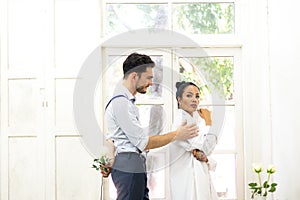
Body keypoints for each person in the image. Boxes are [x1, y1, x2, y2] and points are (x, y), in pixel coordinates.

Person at [103, 53, 199, 200]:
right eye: (148, 78)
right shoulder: (121, 103)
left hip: (133, 164)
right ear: (134, 76)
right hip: (129, 164)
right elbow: (143, 142)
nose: (151, 83)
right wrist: (177, 134)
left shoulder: (126, 103)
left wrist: (110, 159)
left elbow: (112, 138)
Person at [168, 81, 219, 200]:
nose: (194, 100)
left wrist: (205, 156)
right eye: (189, 95)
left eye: (197, 96)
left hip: (191, 176)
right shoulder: (183, 121)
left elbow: (202, 150)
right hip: (188, 179)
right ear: (179, 100)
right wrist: (209, 121)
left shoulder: (192, 119)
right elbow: (206, 147)